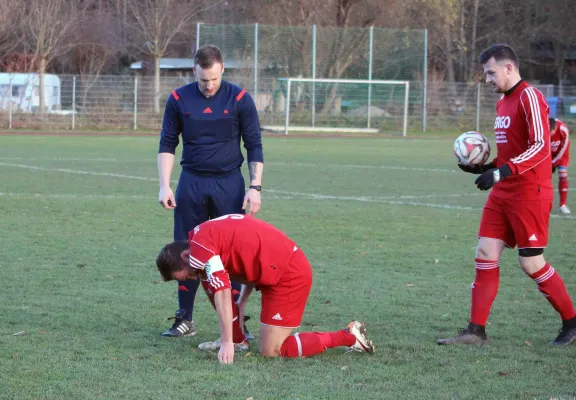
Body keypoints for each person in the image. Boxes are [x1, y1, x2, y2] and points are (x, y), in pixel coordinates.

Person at [440, 44, 576, 346]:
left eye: (490, 72)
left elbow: (540, 147)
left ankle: (572, 322)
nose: (487, 78)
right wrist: (487, 168)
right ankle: (476, 331)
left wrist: (501, 172)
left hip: (530, 192)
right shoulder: (503, 102)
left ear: (508, 68)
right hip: (503, 193)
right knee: (485, 253)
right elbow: (511, 152)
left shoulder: (530, 96)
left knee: (531, 263)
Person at [155, 214, 376, 364]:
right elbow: (247, 255)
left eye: (187, 273)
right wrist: (242, 300)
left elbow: (223, 291)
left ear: (185, 255)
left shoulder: (201, 247)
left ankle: (348, 336)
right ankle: (238, 340)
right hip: (273, 271)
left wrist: (225, 343)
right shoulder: (201, 238)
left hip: (289, 274)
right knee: (209, 280)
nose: (191, 276)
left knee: (271, 350)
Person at [157, 45, 264, 338]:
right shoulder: (179, 98)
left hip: (229, 183)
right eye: (204, 79)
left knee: (232, 252)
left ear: (223, 70)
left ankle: (238, 322)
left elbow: (253, 143)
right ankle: (184, 319)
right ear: (195, 71)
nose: (209, 85)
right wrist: (165, 184)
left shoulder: (240, 99)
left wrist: (255, 187)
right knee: (186, 250)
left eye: (214, 79)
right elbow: (167, 142)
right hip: (191, 183)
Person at [549, 117, 571, 215]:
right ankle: (545, 203)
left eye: (551, 132)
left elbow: (564, 148)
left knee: (563, 174)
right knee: (544, 177)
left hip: (562, 153)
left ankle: (563, 205)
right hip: (548, 154)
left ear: (555, 129)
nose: (549, 135)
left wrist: (553, 163)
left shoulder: (563, 130)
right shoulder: (542, 129)